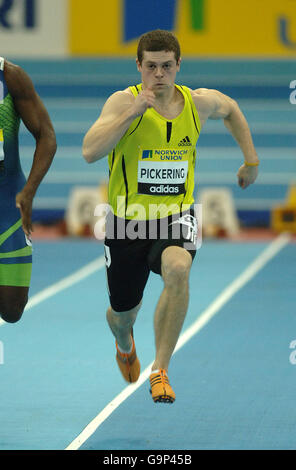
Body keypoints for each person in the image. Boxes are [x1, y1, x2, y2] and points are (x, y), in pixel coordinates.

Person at [82, 30, 259, 403]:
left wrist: (251, 160)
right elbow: (89, 151)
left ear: (178, 66)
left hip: (177, 216)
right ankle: (124, 342)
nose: (159, 75)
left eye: (166, 66)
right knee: (122, 315)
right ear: (139, 67)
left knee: (178, 268)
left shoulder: (199, 103)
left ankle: (160, 370)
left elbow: (233, 110)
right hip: (126, 224)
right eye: (151, 67)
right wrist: (133, 112)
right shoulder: (121, 102)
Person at [0, 57, 57, 324]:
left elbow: (46, 135)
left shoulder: (11, 77)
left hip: (8, 203)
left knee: (12, 310)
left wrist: (30, 190)